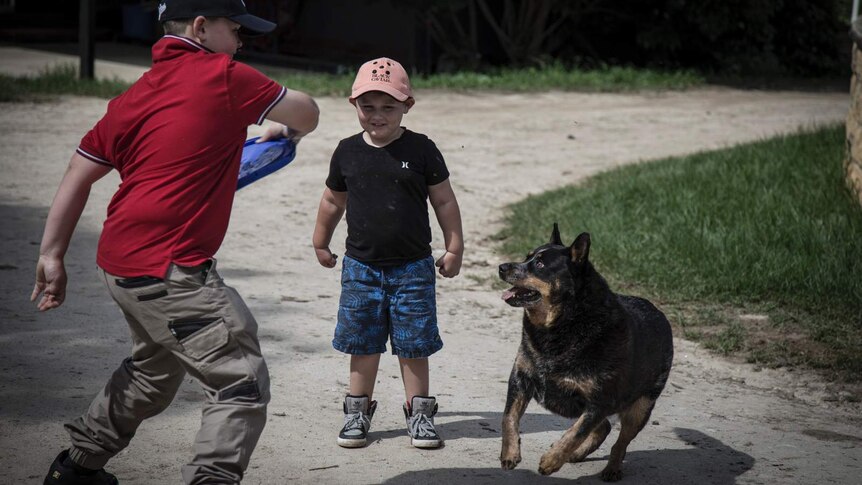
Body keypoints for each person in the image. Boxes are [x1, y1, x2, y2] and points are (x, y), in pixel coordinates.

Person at [31, 1, 319, 483]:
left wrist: (51, 254)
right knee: (239, 380)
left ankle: (77, 469)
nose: (242, 40)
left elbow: (78, 175)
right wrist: (282, 128)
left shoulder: (134, 96)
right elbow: (307, 112)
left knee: (153, 373)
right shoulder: (225, 75)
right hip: (172, 270)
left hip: (120, 263)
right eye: (236, 28)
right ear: (202, 28)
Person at [312, 57, 464, 450]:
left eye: (388, 107)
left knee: (414, 346)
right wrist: (320, 241)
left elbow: (444, 201)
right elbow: (332, 200)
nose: (377, 116)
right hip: (360, 269)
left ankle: (419, 415)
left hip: (413, 269)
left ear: (407, 105)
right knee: (363, 344)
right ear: (354, 105)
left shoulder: (422, 149)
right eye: (368, 107)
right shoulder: (346, 152)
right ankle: (357, 412)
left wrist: (454, 246)